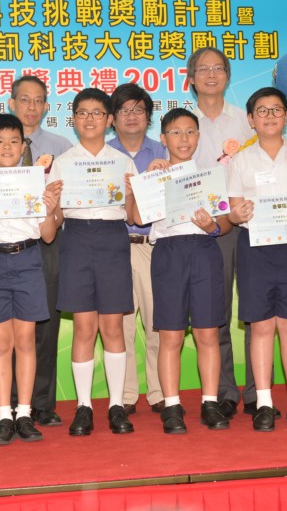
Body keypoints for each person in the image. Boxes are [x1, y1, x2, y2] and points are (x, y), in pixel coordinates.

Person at [226, 87, 287, 431]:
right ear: (250, 119)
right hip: (254, 249)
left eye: (276, 110)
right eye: (262, 111)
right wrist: (238, 214)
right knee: (261, 327)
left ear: (286, 116)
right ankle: (264, 404)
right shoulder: (241, 160)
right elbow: (233, 211)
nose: (269, 116)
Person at [0, 113, 62, 445]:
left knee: (26, 340)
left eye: (14, 141)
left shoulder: (37, 183)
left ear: (23, 147)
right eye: (0, 141)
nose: (7, 147)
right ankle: (4, 415)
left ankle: (25, 413)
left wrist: (50, 210)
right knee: (2, 343)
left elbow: (48, 236)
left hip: (28, 260)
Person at [131, 108, 232, 434]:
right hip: (168, 254)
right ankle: (172, 406)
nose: (183, 139)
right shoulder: (154, 174)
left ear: (198, 137)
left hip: (204, 251)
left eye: (190, 132)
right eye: (175, 132)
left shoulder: (210, 175)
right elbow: (136, 218)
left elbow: (225, 222)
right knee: (170, 335)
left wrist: (212, 226)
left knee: (207, 333)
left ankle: (210, 403)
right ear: (163, 138)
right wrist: (146, 179)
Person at [46, 88, 137, 436]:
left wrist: (132, 193)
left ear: (109, 119)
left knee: (112, 328)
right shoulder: (63, 162)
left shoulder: (122, 162)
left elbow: (134, 216)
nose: (89, 119)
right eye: (82, 113)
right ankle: (83, 406)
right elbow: (55, 220)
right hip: (77, 239)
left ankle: (116, 405)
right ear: (73, 119)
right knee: (84, 328)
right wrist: (52, 202)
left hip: (113, 239)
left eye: (97, 113)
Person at [0, 75, 73, 427]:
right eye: (24, 99)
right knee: (8, 330)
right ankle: (9, 405)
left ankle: (41, 403)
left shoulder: (61, 146)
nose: (32, 107)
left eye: (39, 100)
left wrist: (53, 212)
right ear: (12, 102)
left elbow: (68, 199)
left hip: (46, 241)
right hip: (6, 246)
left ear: (46, 106)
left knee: (45, 325)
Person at [187, 47, 259, 419]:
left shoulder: (246, 121)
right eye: (203, 69)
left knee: (255, 310)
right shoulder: (185, 124)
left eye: (218, 68)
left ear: (228, 76)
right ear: (191, 78)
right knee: (217, 312)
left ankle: (258, 391)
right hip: (206, 229)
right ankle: (226, 391)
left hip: (249, 225)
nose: (211, 74)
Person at [108, 83, 166, 415]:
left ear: (148, 116)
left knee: (158, 322)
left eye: (138, 110)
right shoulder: (103, 156)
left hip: (153, 246)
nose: (132, 116)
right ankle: (127, 393)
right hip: (114, 246)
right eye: (124, 110)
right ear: (113, 118)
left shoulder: (163, 152)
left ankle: (158, 390)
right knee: (121, 324)